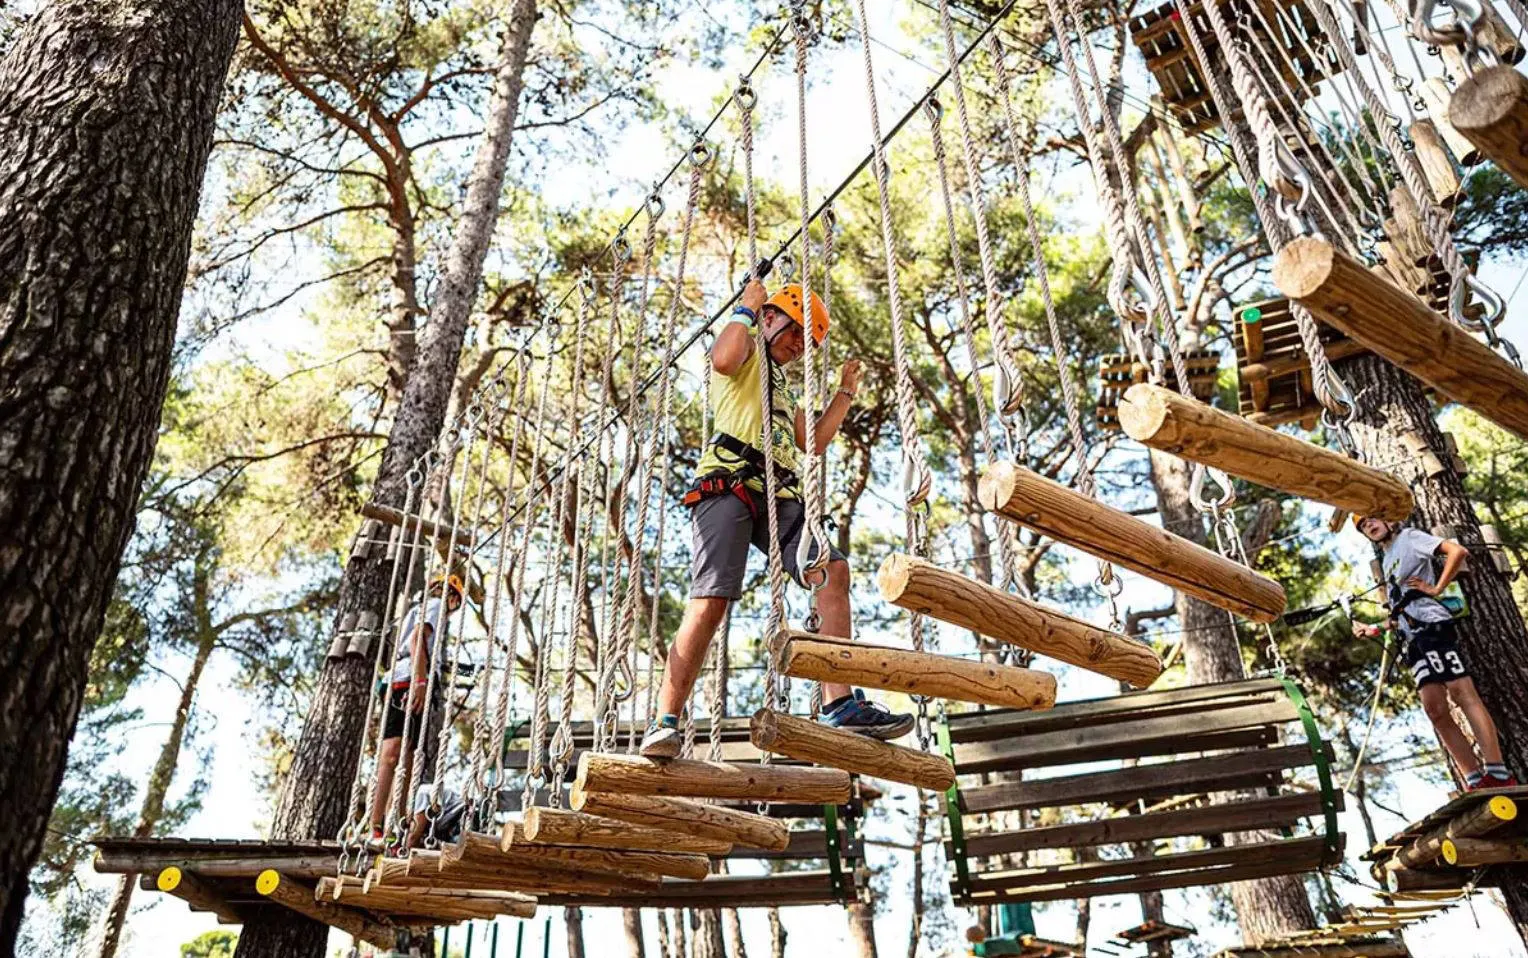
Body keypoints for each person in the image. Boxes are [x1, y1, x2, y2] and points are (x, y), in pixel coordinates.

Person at [639, 279, 913, 759]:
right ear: (770, 319)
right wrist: (747, 307)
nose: (798, 348)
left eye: (806, 344)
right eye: (794, 334)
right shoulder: (745, 351)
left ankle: (840, 703)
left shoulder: (782, 385)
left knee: (832, 570)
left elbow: (814, 441)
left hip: (778, 491)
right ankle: (666, 720)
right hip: (728, 482)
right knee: (711, 603)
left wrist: (844, 394)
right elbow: (721, 359)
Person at [1351, 516, 1516, 789]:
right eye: (1362, 526)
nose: (1368, 525)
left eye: (1371, 519)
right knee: (1434, 709)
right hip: (1412, 637)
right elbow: (1401, 607)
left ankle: (1498, 773)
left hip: (1432, 626)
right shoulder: (1387, 559)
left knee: (1461, 692)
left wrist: (1436, 588)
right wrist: (1375, 629)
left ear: (1388, 519)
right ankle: (1474, 779)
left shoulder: (1409, 538)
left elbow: (1456, 551)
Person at [369, 574, 466, 836]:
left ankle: (392, 824)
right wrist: (420, 682)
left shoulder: (426, 609)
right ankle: (377, 825)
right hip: (408, 679)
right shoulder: (435, 606)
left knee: (408, 758)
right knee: (394, 752)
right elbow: (416, 640)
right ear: (453, 598)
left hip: (408, 677)